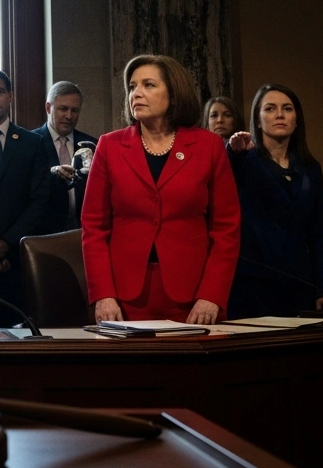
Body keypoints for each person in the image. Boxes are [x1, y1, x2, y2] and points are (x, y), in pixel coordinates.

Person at [81, 54, 240, 324]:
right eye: (132, 87)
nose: (137, 93)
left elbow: (227, 228)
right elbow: (93, 227)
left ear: (174, 93)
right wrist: (103, 294)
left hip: (193, 297)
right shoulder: (109, 146)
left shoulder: (208, 146)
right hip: (124, 297)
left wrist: (212, 294)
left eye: (148, 85)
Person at [225, 84, 323, 318]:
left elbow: (320, 233)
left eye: (287, 108)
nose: (279, 114)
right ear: (257, 120)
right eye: (270, 108)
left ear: (297, 120)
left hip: (300, 283)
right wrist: (234, 152)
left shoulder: (310, 168)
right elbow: (228, 169)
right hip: (252, 286)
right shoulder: (244, 160)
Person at [0, 69, 52, 326]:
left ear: (10, 96)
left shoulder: (32, 143)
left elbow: (39, 202)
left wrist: (5, 243)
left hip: (18, 260)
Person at [32, 81, 97, 233]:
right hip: (43, 233)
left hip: (84, 231)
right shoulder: (30, 143)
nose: (69, 116)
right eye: (63, 109)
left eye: (75, 110)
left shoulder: (92, 144)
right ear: (48, 108)